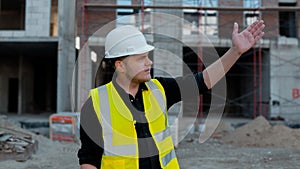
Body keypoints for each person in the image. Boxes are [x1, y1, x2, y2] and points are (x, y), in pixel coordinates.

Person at [78, 20, 265, 169]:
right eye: (141, 58)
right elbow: (88, 160)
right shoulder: (96, 104)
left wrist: (235, 51)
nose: (149, 62)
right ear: (120, 65)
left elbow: (203, 81)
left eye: (148, 56)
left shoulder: (160, 89)